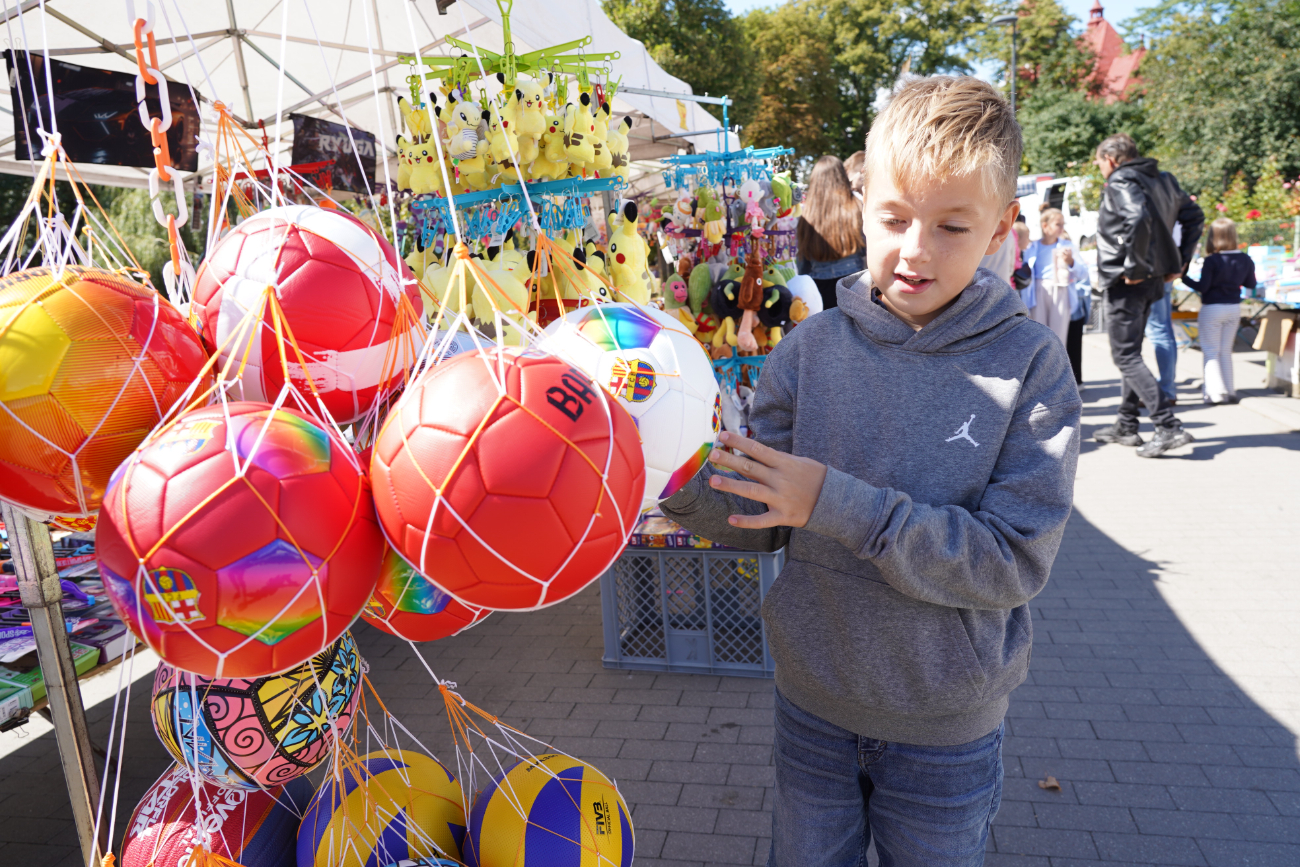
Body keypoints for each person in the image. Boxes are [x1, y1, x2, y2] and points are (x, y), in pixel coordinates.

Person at [662, 76, 1080, 867]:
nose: (915, 248)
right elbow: (761, 518)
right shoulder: (810, 349)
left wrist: (836, 502)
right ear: (863, 204)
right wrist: (668, 474)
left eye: (952, 225)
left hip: (945, 731)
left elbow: (1014, 560)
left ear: (999, 229)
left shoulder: (1029, 367)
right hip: (811, 707)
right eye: (893, 219)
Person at [1092, 133, 1203, 457]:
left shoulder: (1121, 180)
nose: (1100, 169)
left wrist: (1136, 266)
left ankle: (1167, 426)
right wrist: (1179, 261)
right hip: (1152, 278)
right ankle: (1126, 425)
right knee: (1132, 355)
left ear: (1111, 159)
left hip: (1129, 280)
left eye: (1099, 162)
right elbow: (1194, 216)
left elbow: (1137, 217)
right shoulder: (1165, 180)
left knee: (1125, 356)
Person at [1182, 217, 1255, 404]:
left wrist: (1183, 278)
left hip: (1212, 308)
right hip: (1233, 308)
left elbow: (1203, 287)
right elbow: (1250, 283)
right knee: (1225, 350)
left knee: (1211, 351)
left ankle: (1213, 393)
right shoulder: (1245, 258)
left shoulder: (1212, 260)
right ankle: (1229, 390)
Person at [796, 155, 866, 310]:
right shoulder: (856, 204)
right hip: (854, 282)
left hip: (819, 287)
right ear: (841, 176)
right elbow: (866, 246)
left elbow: (802, 259)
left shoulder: (807, 213)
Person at [1021, 208, 1075, 344]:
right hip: (1038, 289)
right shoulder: (1033, 247)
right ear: (1045, 226)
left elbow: (1082, 272)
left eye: (1063, 224)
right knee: (1039, 333)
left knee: (1058, 334)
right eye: (1058, 224)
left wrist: (1071, 261)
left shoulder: (1067, 246)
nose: (1062, 228)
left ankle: (1057, 364)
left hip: (1060, 288)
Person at [1066, 249, 1092, 385]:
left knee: (1074, 348)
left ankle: (1076, 381)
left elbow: (1084, 281)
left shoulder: (1077, 262)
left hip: (1076, 310)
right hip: (1067, 308)